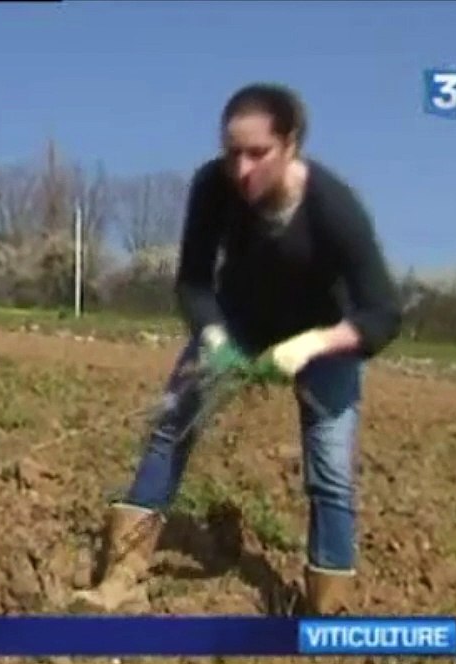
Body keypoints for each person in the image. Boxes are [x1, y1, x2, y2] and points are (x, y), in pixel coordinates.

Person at [74, 83, 402, 616]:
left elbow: (382, 314)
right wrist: (216, 337)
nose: (242, 169)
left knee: (331, 474)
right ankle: (122, 578)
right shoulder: (213, 187)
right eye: (232, 153)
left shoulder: (332, 207)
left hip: (325, 338)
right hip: (241, 321)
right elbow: (194, 284)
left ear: (291, 144)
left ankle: (328, 611)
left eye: (258, 154)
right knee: (169, 430)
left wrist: (314, 345)